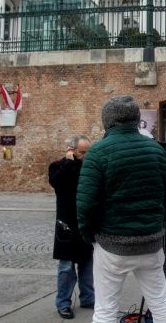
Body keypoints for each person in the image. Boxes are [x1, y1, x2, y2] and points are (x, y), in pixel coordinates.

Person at [77, 95, 166, 323]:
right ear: (136, 119)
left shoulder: (97, 153)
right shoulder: (156, 151)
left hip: (112, 245)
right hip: (151, 243)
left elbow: (85, 205)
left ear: (107, 121)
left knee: (105, 310)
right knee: (160, 303)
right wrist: (153, 225)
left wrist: (89, 236)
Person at [49, 135, 95, 319]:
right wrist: (69, 163)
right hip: (66, 223)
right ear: (72, 150)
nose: (85, 156)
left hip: (84, 222)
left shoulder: (88, 167)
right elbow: (58, 183)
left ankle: (88, 298)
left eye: (88, 152)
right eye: (82, 152)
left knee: (87, 263)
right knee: (66, 267)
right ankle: (63, 303)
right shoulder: (58, 166)